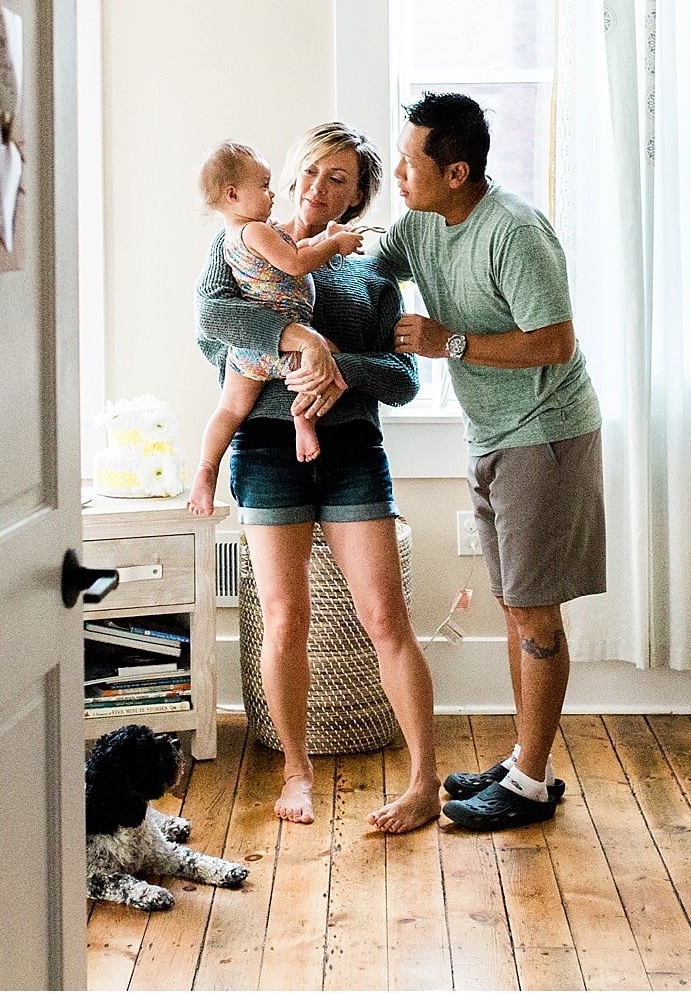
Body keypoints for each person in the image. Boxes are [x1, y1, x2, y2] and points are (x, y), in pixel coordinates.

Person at [195, 122, 443, 833]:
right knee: (285, 618)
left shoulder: (369, 275)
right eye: (311, 171)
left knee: (386, 619)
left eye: (339, 180)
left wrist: (343, 371)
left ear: (357, 196)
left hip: (353, 447)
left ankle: (425, 781)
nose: (316, 188)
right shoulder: (241, 243)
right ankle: (296, 769)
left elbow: (403, 379)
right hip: (268, 448)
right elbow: (211, 320)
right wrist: (298, 339)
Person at [373, 92, 605, 832]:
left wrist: (453, 344)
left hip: (547, 431)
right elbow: (364, 275)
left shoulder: (514, 233)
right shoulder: (420, 223)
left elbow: (555, 342)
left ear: (456, 171)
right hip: (492, 432)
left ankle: (530, 783)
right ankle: (522, 760)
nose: (399, 176)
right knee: (514, 603)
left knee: (535, 609)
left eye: (410, 163)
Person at [186, 141, 365, 515]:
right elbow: (297, 261)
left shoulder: (243, 234)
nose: (272, 195)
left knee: (230, 410)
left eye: (335, 178)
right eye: (264, 187)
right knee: (326, 363)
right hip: (282, 340)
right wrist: (335, 244)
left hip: (247, 352)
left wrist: (323, 237)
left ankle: (206, 469)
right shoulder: (256, 231)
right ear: (234, 195)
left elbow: (295, 246)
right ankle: (302, 419)